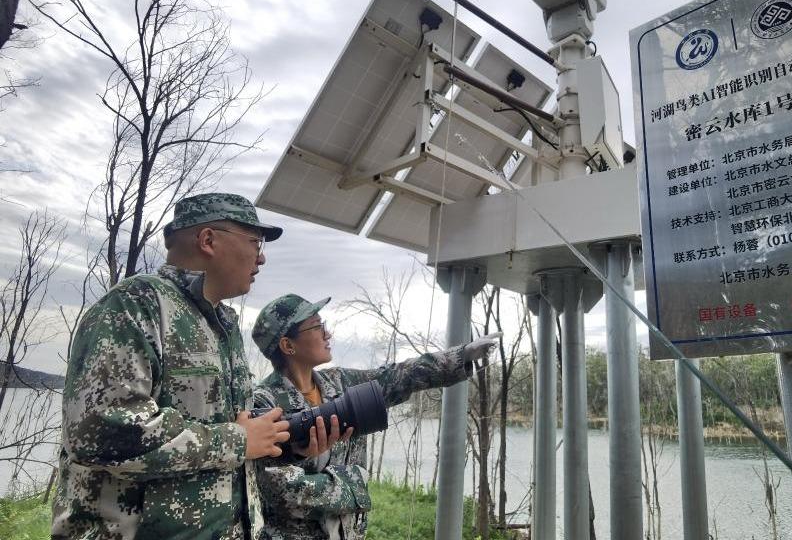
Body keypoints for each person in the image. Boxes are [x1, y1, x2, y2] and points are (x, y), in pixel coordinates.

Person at [53, 193, 294, 540]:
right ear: (208, 240)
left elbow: (235, 433)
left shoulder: (223, 324)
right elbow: (100, 432)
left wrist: (285, 441)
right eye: (255, 242)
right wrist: (238, 441)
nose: (262, 257)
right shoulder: (136, 305)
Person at [250, 294, 499, 540]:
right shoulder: (264, 403)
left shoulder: (340, 382)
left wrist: (461, 356)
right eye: (317, 326)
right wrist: (354, 485)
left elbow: (399, 376)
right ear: (287, 345)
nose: (328, 334)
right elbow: (278, 487)